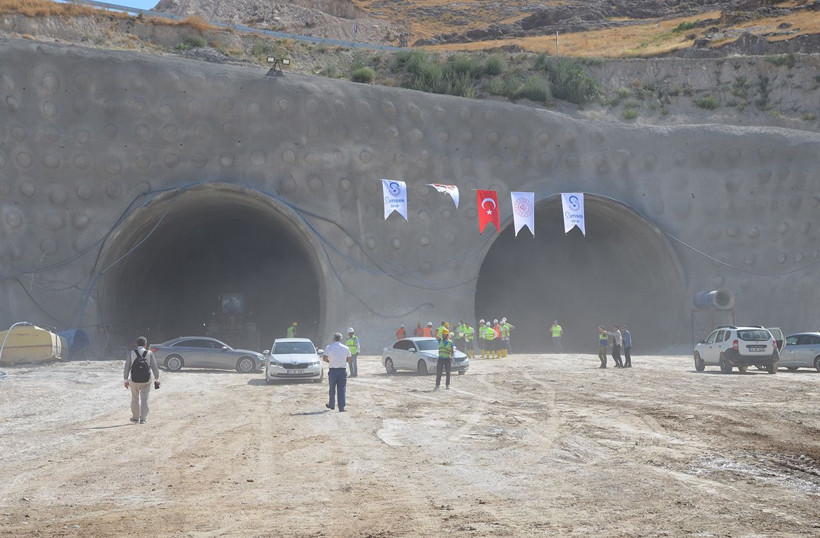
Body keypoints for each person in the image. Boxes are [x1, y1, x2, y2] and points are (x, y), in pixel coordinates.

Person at [123, 336, 160, 424]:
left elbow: (127, 367)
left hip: (134, 380)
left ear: (137, 344)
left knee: (135, 398)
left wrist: (125, 380)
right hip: (146, 380)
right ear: (145, 344)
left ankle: (135, 417)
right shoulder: (149, 353)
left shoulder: (131, 353)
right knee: (144, 399)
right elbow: (155, 367)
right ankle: (143, 418)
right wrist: (157, 379)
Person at [323, 333, 351, 412]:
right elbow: (349, 359)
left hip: (333, 370)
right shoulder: (345, 348)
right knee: (342, 389)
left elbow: (324, 358)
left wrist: (330, 361)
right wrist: (341, 361)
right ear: (341, 339)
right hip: (342, 371)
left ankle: (331, 405)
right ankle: (341, 407)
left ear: (333, 339)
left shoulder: (329, 347)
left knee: (332, 388)